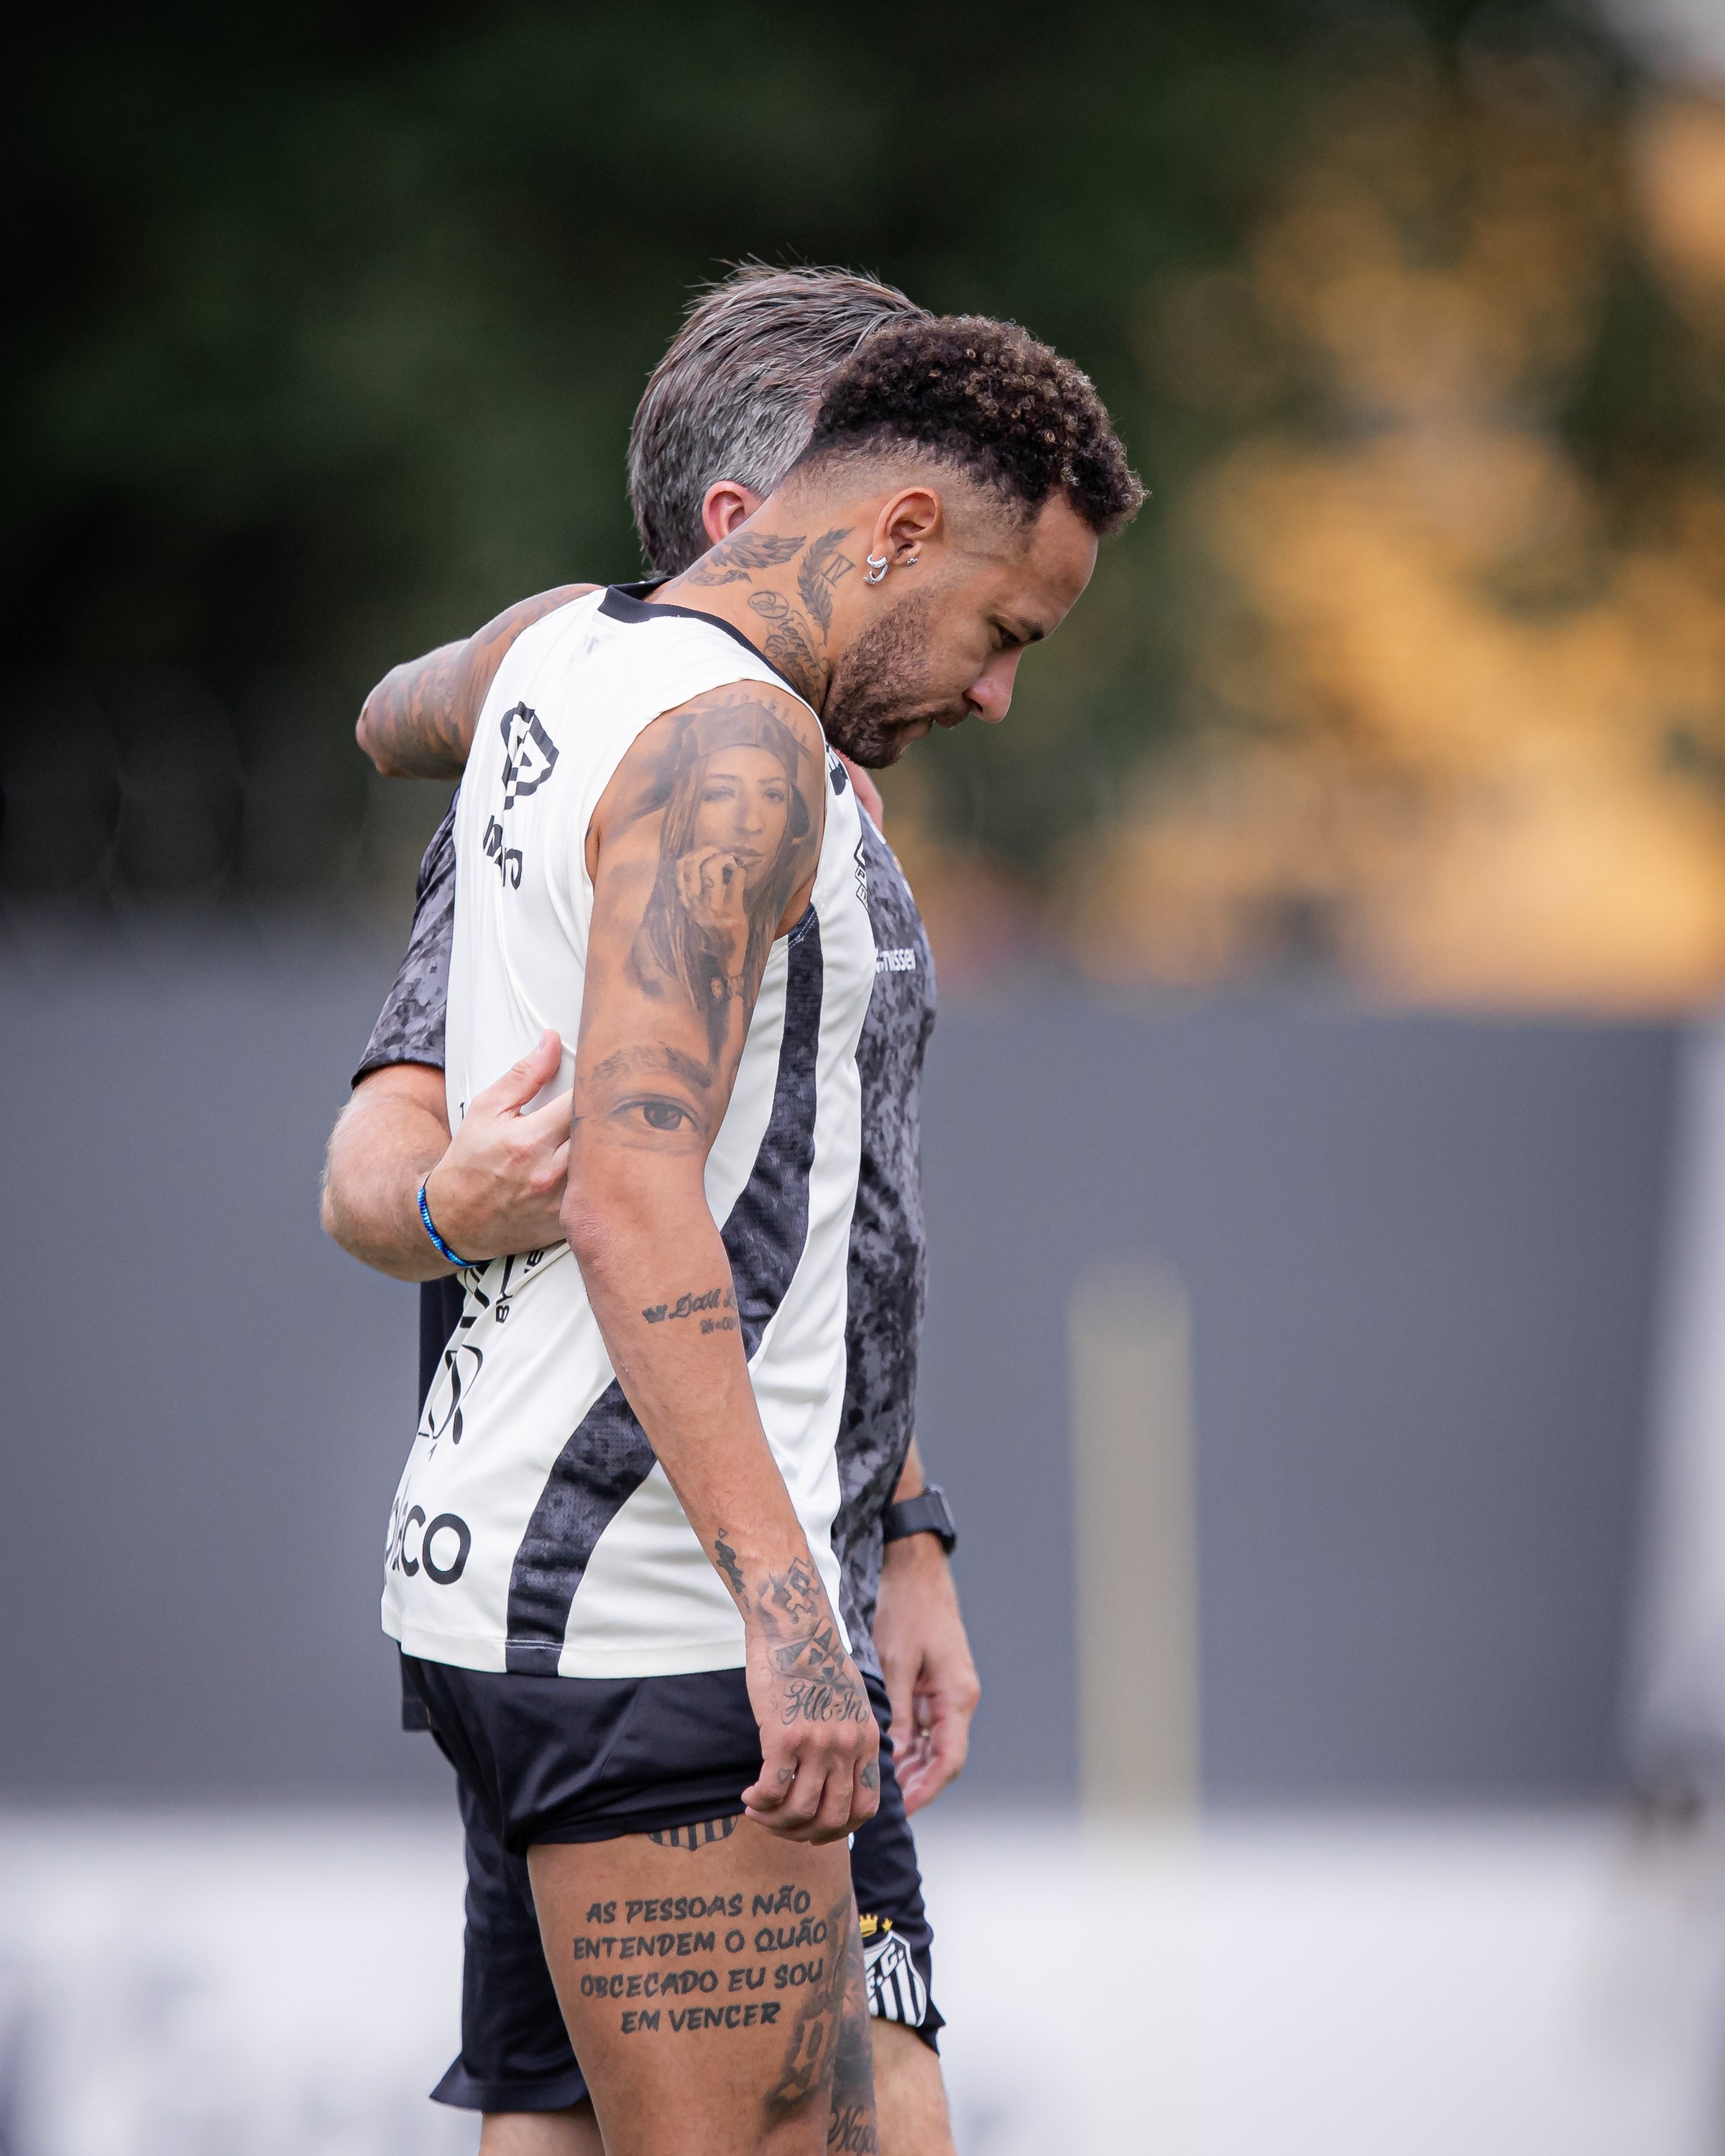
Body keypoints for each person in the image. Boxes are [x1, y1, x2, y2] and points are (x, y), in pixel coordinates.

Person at [331, 305, 1139, 2156]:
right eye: (1007, 631)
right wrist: (788, 1616)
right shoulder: (740, 757)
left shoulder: (572, 650)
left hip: (551, 1582)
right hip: (661, 1603)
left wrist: (899, 1532)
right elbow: (634, 1197)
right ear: (904, 529)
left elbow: (389, 713)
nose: (998, 694)